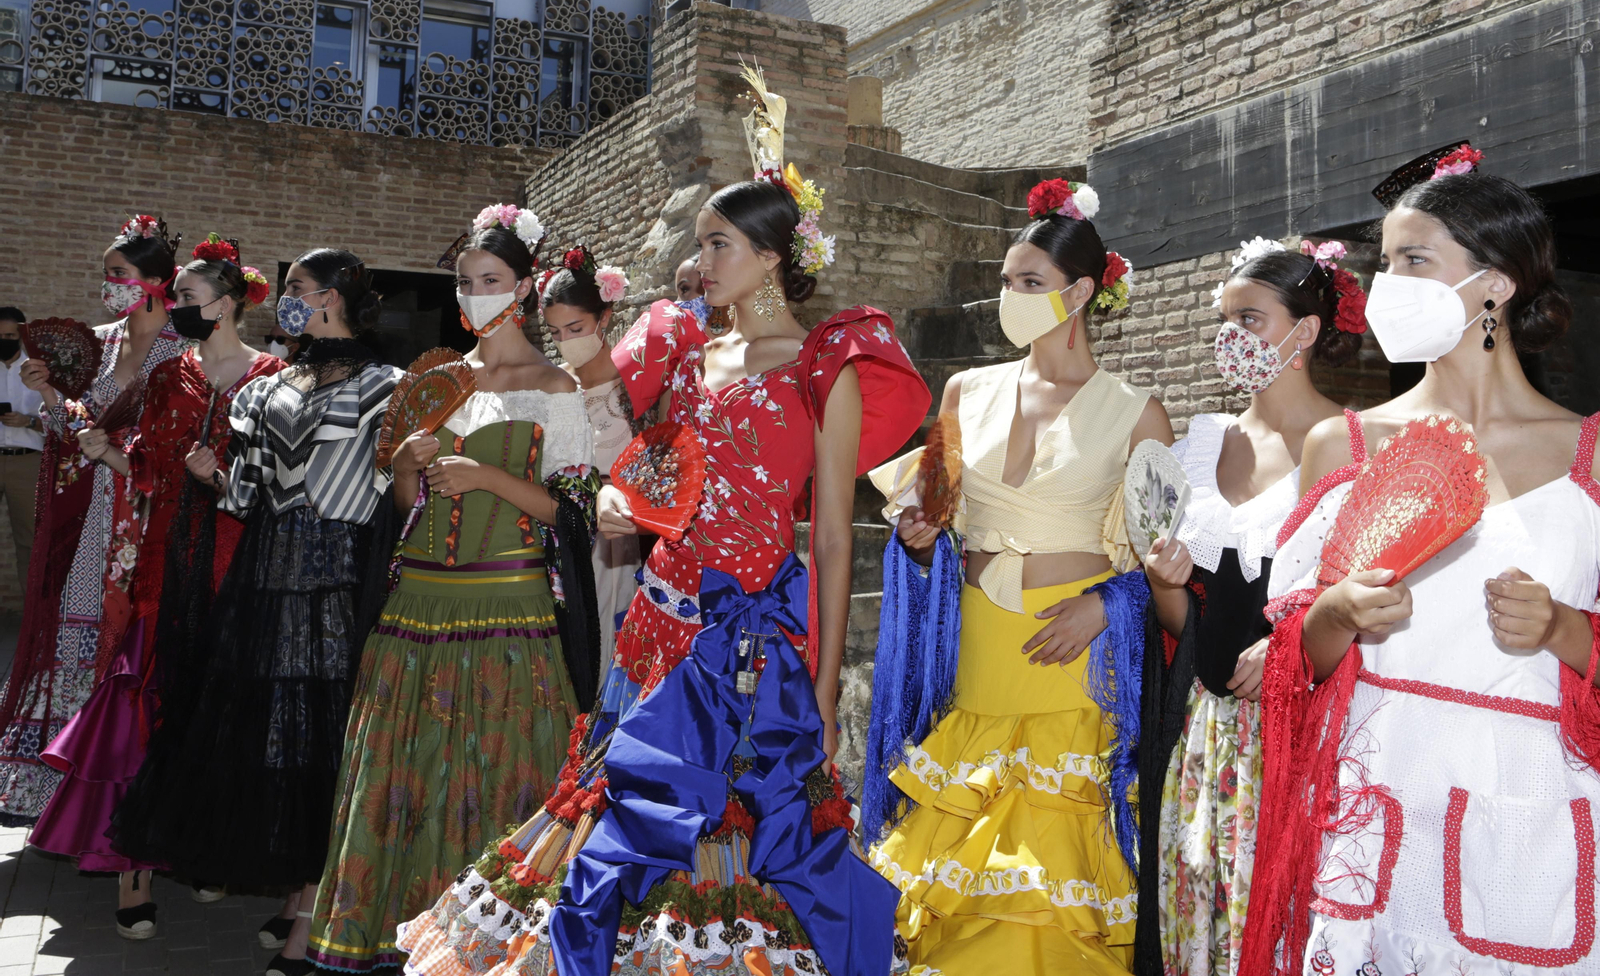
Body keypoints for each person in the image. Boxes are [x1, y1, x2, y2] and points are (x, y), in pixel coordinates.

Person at [397, 67, 929, 976]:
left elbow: (833, 534)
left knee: (744, 825)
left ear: (770, 257)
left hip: (755, 646)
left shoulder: (822, 367)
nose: (700, 262)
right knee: (626, 814)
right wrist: (618, 497)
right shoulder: (687, 347)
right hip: (658, 625)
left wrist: (828, 682)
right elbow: (642, 459)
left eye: (719, 244)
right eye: (701, 244)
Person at [1242, 169, 1600, 976]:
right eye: (1383, 263)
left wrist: (1564, 628)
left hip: (1533, 809)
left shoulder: (1591, 455)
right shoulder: (1344, 445)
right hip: (1380, 794)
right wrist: (1334, 610)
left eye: (1413, 261)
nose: (1382, 288)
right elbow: (1297, 656)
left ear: (1496, 284)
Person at [865, 178, 1170, 976]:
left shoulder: (1139, 411)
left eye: (1028, 282)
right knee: (958, 889)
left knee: (1046, 894)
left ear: (1080, 293)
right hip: (978, 654)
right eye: (1006, 280)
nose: (1010, 295)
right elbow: (928, 517)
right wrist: (920, 536)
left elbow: (1170, 565)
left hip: (1071, 662)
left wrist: (1109, 604)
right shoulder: (966, 390)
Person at [307, 210, 599, 974]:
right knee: (409, 773)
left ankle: (495, 949)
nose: (473, 295)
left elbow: (572, 514)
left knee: (498, 776)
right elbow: (404, 512)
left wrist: (487, 475)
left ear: (526, 286)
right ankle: (405, 936)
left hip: (510, 612)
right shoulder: (434, 380)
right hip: (416, 612)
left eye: (490, 281)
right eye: (465, 284)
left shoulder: (554, 384)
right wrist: (406, 467)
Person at [111, 248, 399, 976]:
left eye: (299, 288)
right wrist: (215, 479)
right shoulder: (270, 387)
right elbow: (249, 495)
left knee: (329, 749)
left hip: (342, 577)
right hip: (266, 578)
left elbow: (394, 493)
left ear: (333, 296)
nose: (289, 301)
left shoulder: (390, 386)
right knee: (272, 742)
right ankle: (299, 898)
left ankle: (309, 923)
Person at [31, 235, 282, 939]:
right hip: (164, 557)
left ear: (227, 304)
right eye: (173, 298)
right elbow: (144, 467)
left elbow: (280, 485)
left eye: (188, 298)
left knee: (212, 709)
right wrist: (107, 451)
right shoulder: (171, 376)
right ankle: (131, 865)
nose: (176, 308)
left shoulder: (273, 377)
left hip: (234, 560)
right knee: (143, 703)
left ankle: (202, 844)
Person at [1134, 239, 1367, 976]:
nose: (1229, 335)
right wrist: (1167, 580)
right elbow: (1183, 627)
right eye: (1225, 317)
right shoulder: (1203, 442)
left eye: (1251, 318)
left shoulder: (1358, 447)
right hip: (1205, 733)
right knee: (1197, 909)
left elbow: (1370, 603)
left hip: (1304, 730)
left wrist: (1296, 641)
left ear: (1305, 330)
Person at [0, 216, 187, 827]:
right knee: (75, 639)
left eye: (120, 272)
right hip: (87, 511)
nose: (109, 283)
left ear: (160, 281)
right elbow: (70, 431)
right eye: (106, 273)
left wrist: (118, 447)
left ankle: (129, 789)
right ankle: (63, 788)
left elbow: (178, 439)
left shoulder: (184, 349)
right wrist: (50, 396)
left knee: (138, 646)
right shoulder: (100, 341)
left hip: (148, 510)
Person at [539, 246, 640, 674]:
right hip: (553, 545)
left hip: (619, 549)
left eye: (575, 327)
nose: (566, 342)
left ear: (605, 316)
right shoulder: (548, 388)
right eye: (555, 333)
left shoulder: (638, 389)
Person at [0, 307, 44, 591]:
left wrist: (28, 421)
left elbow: (62, 419)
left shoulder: (39, 370)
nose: (3, 340)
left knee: (29, 541)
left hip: (28, 464)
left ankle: (31, 622)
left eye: (9, 335)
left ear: (21, 335)